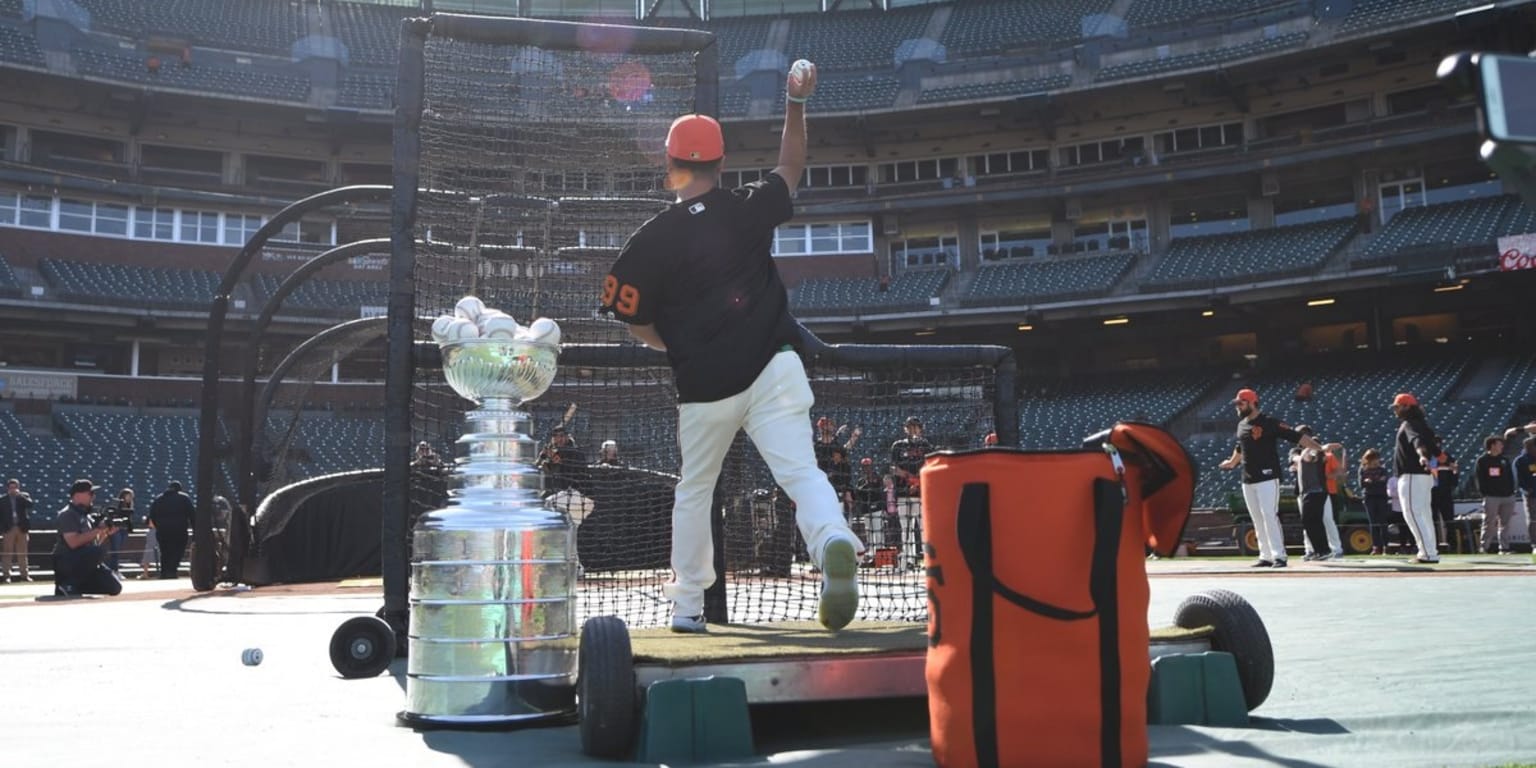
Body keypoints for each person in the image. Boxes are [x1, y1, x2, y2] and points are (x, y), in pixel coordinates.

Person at [600, 59, 862, 634]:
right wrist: (795, 101)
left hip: (704, 384)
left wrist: (674, 346)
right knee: (802, 474)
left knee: (695, 491)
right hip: (775, 365)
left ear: (670, 166)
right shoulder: (747, 205)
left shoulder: (651, 240)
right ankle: (834, 541)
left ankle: (688, 606)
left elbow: (632, 319)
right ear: (721, 164)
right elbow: (791, 165)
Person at [1218, 388, 1322, 568]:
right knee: (1257, 518)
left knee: (1269, 515)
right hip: (1248, 478)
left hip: (1267, 477)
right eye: (1237, 403)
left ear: (1251, 402)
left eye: (1241, 403)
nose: (1238, 407)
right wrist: (1232, 462)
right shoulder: (1242, 424)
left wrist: (1319, 448)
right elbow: (1240, 447)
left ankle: (1279, 555)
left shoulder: (1269, 422)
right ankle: (1265, 555)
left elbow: (1295, 436)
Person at [1391, 393, 1441, 563]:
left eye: (1397, 406)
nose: (1395, 410)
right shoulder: (1422, 424)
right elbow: (1436, 449)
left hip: (1412, 475)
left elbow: (1417, 442)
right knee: (1424, 514)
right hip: (1424, 477)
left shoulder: (1409, 424)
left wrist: (1422, 456)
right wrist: (1446, 460)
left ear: (1406, 407)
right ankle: (1431, 551)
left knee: (1412, 513)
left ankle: (1426, 553)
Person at [51, 479, 122, 597]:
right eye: (90, 493)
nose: (93, 496)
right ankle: (68, 584)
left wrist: (105, 532)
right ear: (78, 495)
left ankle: (74, 586)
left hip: (81, 561)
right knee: (98, 551)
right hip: (66, 560)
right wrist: (98, 529)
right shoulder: (67, 514)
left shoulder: (85, 515)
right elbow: (73, 542)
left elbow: (93, 542)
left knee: (114, 587)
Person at [889, 415, 934, 570]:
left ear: (920, 429)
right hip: (903, 492)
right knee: (905, 528)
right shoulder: (898, 445)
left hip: (921, 493)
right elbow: (893, 468)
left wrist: (918, 481)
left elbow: (930, 465)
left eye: (915, 426)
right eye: (910, 426)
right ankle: (908, 560)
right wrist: (908, 477)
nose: (912, 429)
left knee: (923, 527)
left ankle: (927, 560)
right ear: (905, 428)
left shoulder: (926, 445)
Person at [1290, 430, 1332, 561]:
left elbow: (1310, 456)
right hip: (1311, 492)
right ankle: (1318, 550)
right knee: (1312, 522)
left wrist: (1317, 449)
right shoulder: (1305, 452)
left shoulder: (1312, 452)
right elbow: (1298, 458)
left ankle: (1323, 550)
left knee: (1310, 521)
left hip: (1314, 491)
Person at [1474, 435, 1518, 554]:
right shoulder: (1482, 460)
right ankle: (1484, 547)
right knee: (1489, 523)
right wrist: (1484, 494)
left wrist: (1511, 491)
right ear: (1492, 445)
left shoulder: (1504, 460)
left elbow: (1510, 477)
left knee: (1505, 524)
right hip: (1491, 497)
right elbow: (1479, 479)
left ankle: (1504, 548)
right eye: (1499, 444)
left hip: (1507, 496)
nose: (1502, 446)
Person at [148, 480, 194, 579]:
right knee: (178, 550)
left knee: (165, 552)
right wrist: (194, 529)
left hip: (162, 530)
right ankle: (172, 570)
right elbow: (192, 515)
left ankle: (164, 572)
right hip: (179, 529)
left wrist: (159, 526)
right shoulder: (184, 498)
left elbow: (152, 515)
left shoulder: (159, 499)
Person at [537, 425, 589, 493]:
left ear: (567, 437)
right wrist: (542, 457)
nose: (558, 439)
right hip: (555, 490)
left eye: (561, 436)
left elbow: (573, 472)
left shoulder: (576, 452)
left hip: (575, 491)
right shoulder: (553, 450)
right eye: (555, 436)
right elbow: (541, 467)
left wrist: (557, 460)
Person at [1358, 449, 1391, 555]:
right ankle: (1376, 546)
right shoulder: (1362, 469)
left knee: (1383, 522)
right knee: (1373, 523)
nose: (1376, 462)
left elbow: (1384, 481)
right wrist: (1372, 481)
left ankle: (1386, 546)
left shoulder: (1382, 469)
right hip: (1369, 497)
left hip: (1381, 496)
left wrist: (1372, 482)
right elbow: (1362, 484)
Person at [2, 478, 34, 582]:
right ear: (7, 488)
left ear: (18, 488)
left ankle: (24, 575)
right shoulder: (3, 500)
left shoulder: (23, 497)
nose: (13, 490)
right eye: (11, 488)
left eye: (15, 487)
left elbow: (31, 505)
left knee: (23, 553)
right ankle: (6, 575)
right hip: (9, 529)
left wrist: (20, 496)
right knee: (7, 552)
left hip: (21, 528)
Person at [1431, 447, 1458, 549]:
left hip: (1446, 494)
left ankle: (1453, 545)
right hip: (1431, 494)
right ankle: (1434, 545)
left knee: (1449, 520)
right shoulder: (1428, 458)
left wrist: (1454, 472)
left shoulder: (1447, 457)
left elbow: (1454, 477)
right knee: (1432, 521)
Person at [106, 488, 134, 574]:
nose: (130, 497)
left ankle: (114, 568)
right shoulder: (117, 503)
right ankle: (113, 569)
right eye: (128, 495)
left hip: (124, 529)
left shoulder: (129, 505)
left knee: (118, 550)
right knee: (115, 550)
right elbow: (111, 514)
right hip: (116, 529)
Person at [1516, 436, 1536, 551]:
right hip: (1531, 496)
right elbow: (1520, 480)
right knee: (1533, 520)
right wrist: (1527, 490)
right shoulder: (1521, 461)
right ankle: (1534, 544)